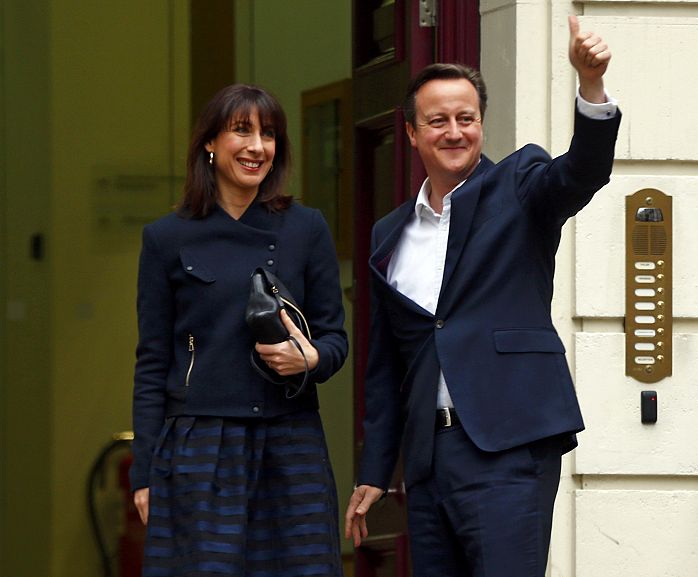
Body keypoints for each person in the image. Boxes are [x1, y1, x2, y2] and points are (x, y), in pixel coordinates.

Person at [345, 16, 620, 577]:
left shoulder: (521, 186)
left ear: (481, 125)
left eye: (466, 119)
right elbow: (386, 364)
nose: (454, 132)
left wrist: (590, 86)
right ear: (412, 133)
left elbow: (583, 173)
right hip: (427, 461)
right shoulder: (389, 233)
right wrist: (375, 470)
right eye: (437, 121)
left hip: (509, 446)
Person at [131, 83, 347, 577]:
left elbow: (336, 340)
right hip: (202, 445)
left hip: (291, 445)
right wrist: (143, 473)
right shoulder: (166, 238)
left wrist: (308, 359)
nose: (257, 146)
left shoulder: (306, 228)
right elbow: (151, 363)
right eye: (241, 131)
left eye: (268, 134)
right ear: (209, 142)